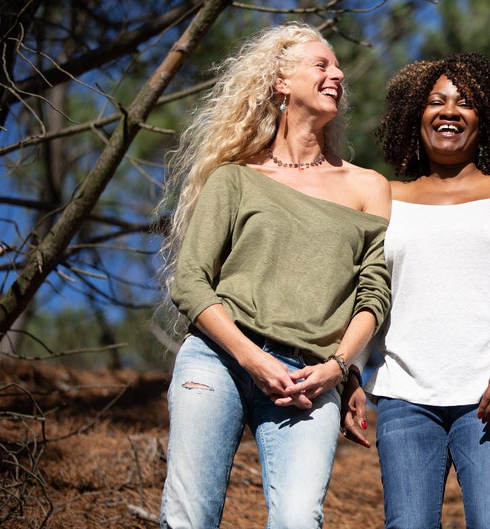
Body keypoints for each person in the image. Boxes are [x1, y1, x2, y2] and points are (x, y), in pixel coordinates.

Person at [156, 22, 391, 529]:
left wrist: (341, 367)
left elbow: (373, 294)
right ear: (281, 83)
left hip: (311, 376)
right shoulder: (236, 177)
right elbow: (191, 283)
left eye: (337, 65)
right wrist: (253, 358)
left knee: (299, 519)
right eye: (321, 64)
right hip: (219, 357)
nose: (338, 73)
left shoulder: (367, 186)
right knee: (189, 515)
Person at [343, 53, 490, 529]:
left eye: (466, 103)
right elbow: (364, 292)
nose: (450, 111)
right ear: (415, 115)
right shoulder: (386, 197)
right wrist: (350, 373)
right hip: (405, 396)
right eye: (436, 101)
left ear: (488, 118)